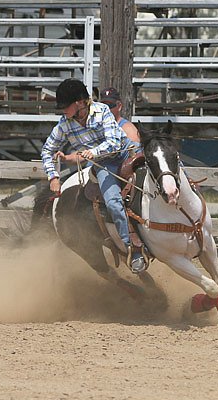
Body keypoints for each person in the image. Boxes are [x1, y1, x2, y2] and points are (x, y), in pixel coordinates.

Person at [41, 78, 146, 274]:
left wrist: (94, 152)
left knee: (162, 172)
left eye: (66, 106)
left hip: (124, 155)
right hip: (105, 164)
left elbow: (115, 142)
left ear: (80, 103)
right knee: (114, 202)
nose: (62, 110)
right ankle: (133, 249)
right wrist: (53, 177)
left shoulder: (102, 111)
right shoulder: (65, 124)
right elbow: (47, 150)